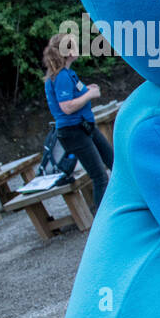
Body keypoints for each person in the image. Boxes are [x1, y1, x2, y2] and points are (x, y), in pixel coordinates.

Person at [43, 32, 113, 213]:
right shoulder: (61, 77)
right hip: (74, 131)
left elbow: (73, 96)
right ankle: (103, 222)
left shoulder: (67, 74)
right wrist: (89, 95)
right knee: (100, 177)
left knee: (114, 162)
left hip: (84, 127)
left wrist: (86, 90)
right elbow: (66, 107)